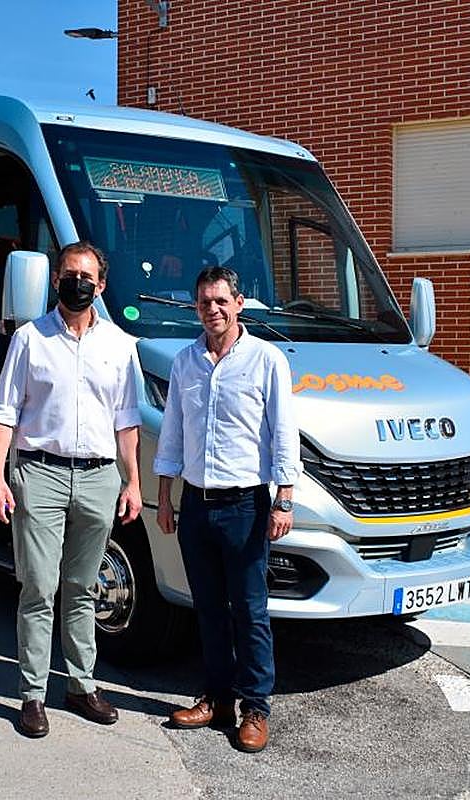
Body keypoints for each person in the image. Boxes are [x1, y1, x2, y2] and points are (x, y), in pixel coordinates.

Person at [0, 241, 143, 738]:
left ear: (101, 286)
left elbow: (127, 419)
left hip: (99, 478)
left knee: (82, 588)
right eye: (69, 273)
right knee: (39, 587)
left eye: (87, 276)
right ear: (56, 280)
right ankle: (32, 694)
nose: (78, 282)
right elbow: (5, 412)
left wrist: (133, 482)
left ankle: (81, 684)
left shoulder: (121, 345)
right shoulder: (30, 339)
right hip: (41, 474)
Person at [153, 266, 298, 753]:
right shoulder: (185, 362)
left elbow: (283, 433)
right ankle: (216, 699)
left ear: (239, 304)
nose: (211, 309)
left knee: (250, 610)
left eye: (220, 301)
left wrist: (284, 499)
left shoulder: (265, 360)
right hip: (196, 503)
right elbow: (173, 430)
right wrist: (166, 496)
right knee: (208, 609)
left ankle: (255, 706)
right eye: (203, 302)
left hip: (245, 506)